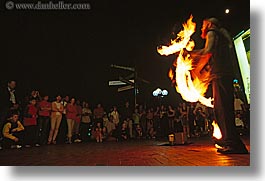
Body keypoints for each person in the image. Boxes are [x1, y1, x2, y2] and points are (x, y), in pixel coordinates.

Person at [190, 17, 248, 154]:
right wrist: (199, 70)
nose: (201, 28)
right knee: (223, 109)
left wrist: (190, 54)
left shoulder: (212, 32)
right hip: (223, 74)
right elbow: (209, 56)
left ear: (209, 24)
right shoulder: (221, 35)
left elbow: (207, 50)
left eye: (203, 25)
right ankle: (230, 141)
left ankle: (232, 144)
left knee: (223, 110)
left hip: (221, 75)